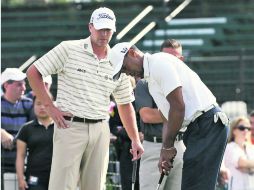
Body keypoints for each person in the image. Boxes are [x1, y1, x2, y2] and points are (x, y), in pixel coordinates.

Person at [26, 7, 143, 190]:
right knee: (62, 186)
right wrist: (50, 107)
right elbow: (33, 73)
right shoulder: (68, 48)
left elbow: (125, 103)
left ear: (114, 30)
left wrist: (134, 139)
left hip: (100, 129)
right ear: (90, 27)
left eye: (108, 30)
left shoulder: (118, 62)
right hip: (70, 127)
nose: (104, 34)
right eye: (100, 28)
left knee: (95, 187)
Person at [109, 42, 229, 190]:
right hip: (198, 127)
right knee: (191, 184)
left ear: (133, 53)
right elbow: (168, 116)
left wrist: (167, 147)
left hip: (207, 123)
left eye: (124, 67)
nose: (126, 73)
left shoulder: (158, 63)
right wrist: (165, 150)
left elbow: (178, 107)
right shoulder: (150, 79)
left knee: (196, 185)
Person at [135, 39, 185, 190]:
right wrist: (177, 112)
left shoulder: (185, 81)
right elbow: (147, 115)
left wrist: (175, 112)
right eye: (165, 57)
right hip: (154, 147)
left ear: (181, 59)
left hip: (180, 146)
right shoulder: (145, 83)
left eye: (174, 58)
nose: (169, 62)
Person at [1, 68, 34, 190]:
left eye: (24, 84)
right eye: (19, 84)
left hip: (24, 168)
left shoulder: (29, 104)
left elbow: (34, 132)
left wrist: (15, 140)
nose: (24, 88)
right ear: (6, 85)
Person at [16, 95, 54, 190]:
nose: (42, 107)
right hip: (34, 179)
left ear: (53, 105)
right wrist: (21, 179)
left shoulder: (61, 127)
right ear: (33, 106)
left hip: (57, 177)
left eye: (46, 104)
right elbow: (20, 155)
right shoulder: (26, 128)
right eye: (38, 104)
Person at [223, 116, 254, 190]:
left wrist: (250, 169)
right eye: (242, 128)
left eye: (248, 128)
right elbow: (242, 163)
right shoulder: (229, 147)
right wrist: (250, 167)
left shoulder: (251, 148)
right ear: (234, 130)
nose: (246, 130)